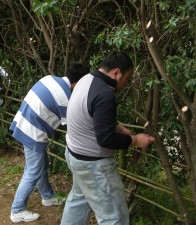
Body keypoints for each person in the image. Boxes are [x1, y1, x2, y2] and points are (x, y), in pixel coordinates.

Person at [60, 52, 155, 225]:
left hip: (74, 154)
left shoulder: (87, 79)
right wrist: (135, 140)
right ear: (117, 72)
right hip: (93, 165)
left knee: (78, 202)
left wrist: (117, 126)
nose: (125, 84)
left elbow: (90, 112)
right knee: (114, 216)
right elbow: (106, 139)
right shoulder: (105, 94)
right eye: (126, 78)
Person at [9, 63, 90, 223]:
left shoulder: (50, 79)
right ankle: (17, 209)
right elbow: (73, 127)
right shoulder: (67, 98)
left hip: (23, 123)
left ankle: (47, 196)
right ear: (80, 82)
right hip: (33, 133)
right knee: (33, 172)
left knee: (41, 165)